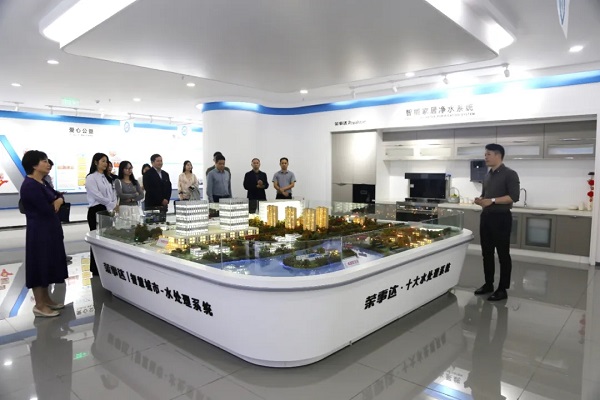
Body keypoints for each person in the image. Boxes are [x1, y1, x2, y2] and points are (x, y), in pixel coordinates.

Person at [19, 150, 68, 317]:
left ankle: (47, 299)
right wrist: (56, 201)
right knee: (39, 264)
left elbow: (58, 196)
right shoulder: (29, 185)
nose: (48, 164)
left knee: (48, 263)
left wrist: (59, 200)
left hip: (50, 230)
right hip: (39, 232)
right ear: (34, 165)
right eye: (44, 161)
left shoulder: (43, 182)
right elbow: (46, 209)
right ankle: (39, 305)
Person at [474, 143, 520, 301]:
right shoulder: (487, 175)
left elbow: (514, 197)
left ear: (498, 155)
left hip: (501, 219)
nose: (485, 157)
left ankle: (502, 289)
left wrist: (492, 200)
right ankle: (488, 284)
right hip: (486, 218)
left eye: (488, 154)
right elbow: (485, 196)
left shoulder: (510, 174)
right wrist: (481, 200)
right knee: (486, 253)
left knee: (503, 254)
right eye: (485, 154)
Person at [86, 152, 118, 276]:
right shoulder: (91, 177)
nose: (105, 164)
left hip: (107, 210)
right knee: (97, 239)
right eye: (103, 161)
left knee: (107, 238)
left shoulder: (107, 177)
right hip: (96, 210)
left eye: (106, 161)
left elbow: (112, 193)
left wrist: (113, 204)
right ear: (96, 162)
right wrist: (111, 204)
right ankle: (95, 268)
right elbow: (97, 195)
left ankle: (106, 265)